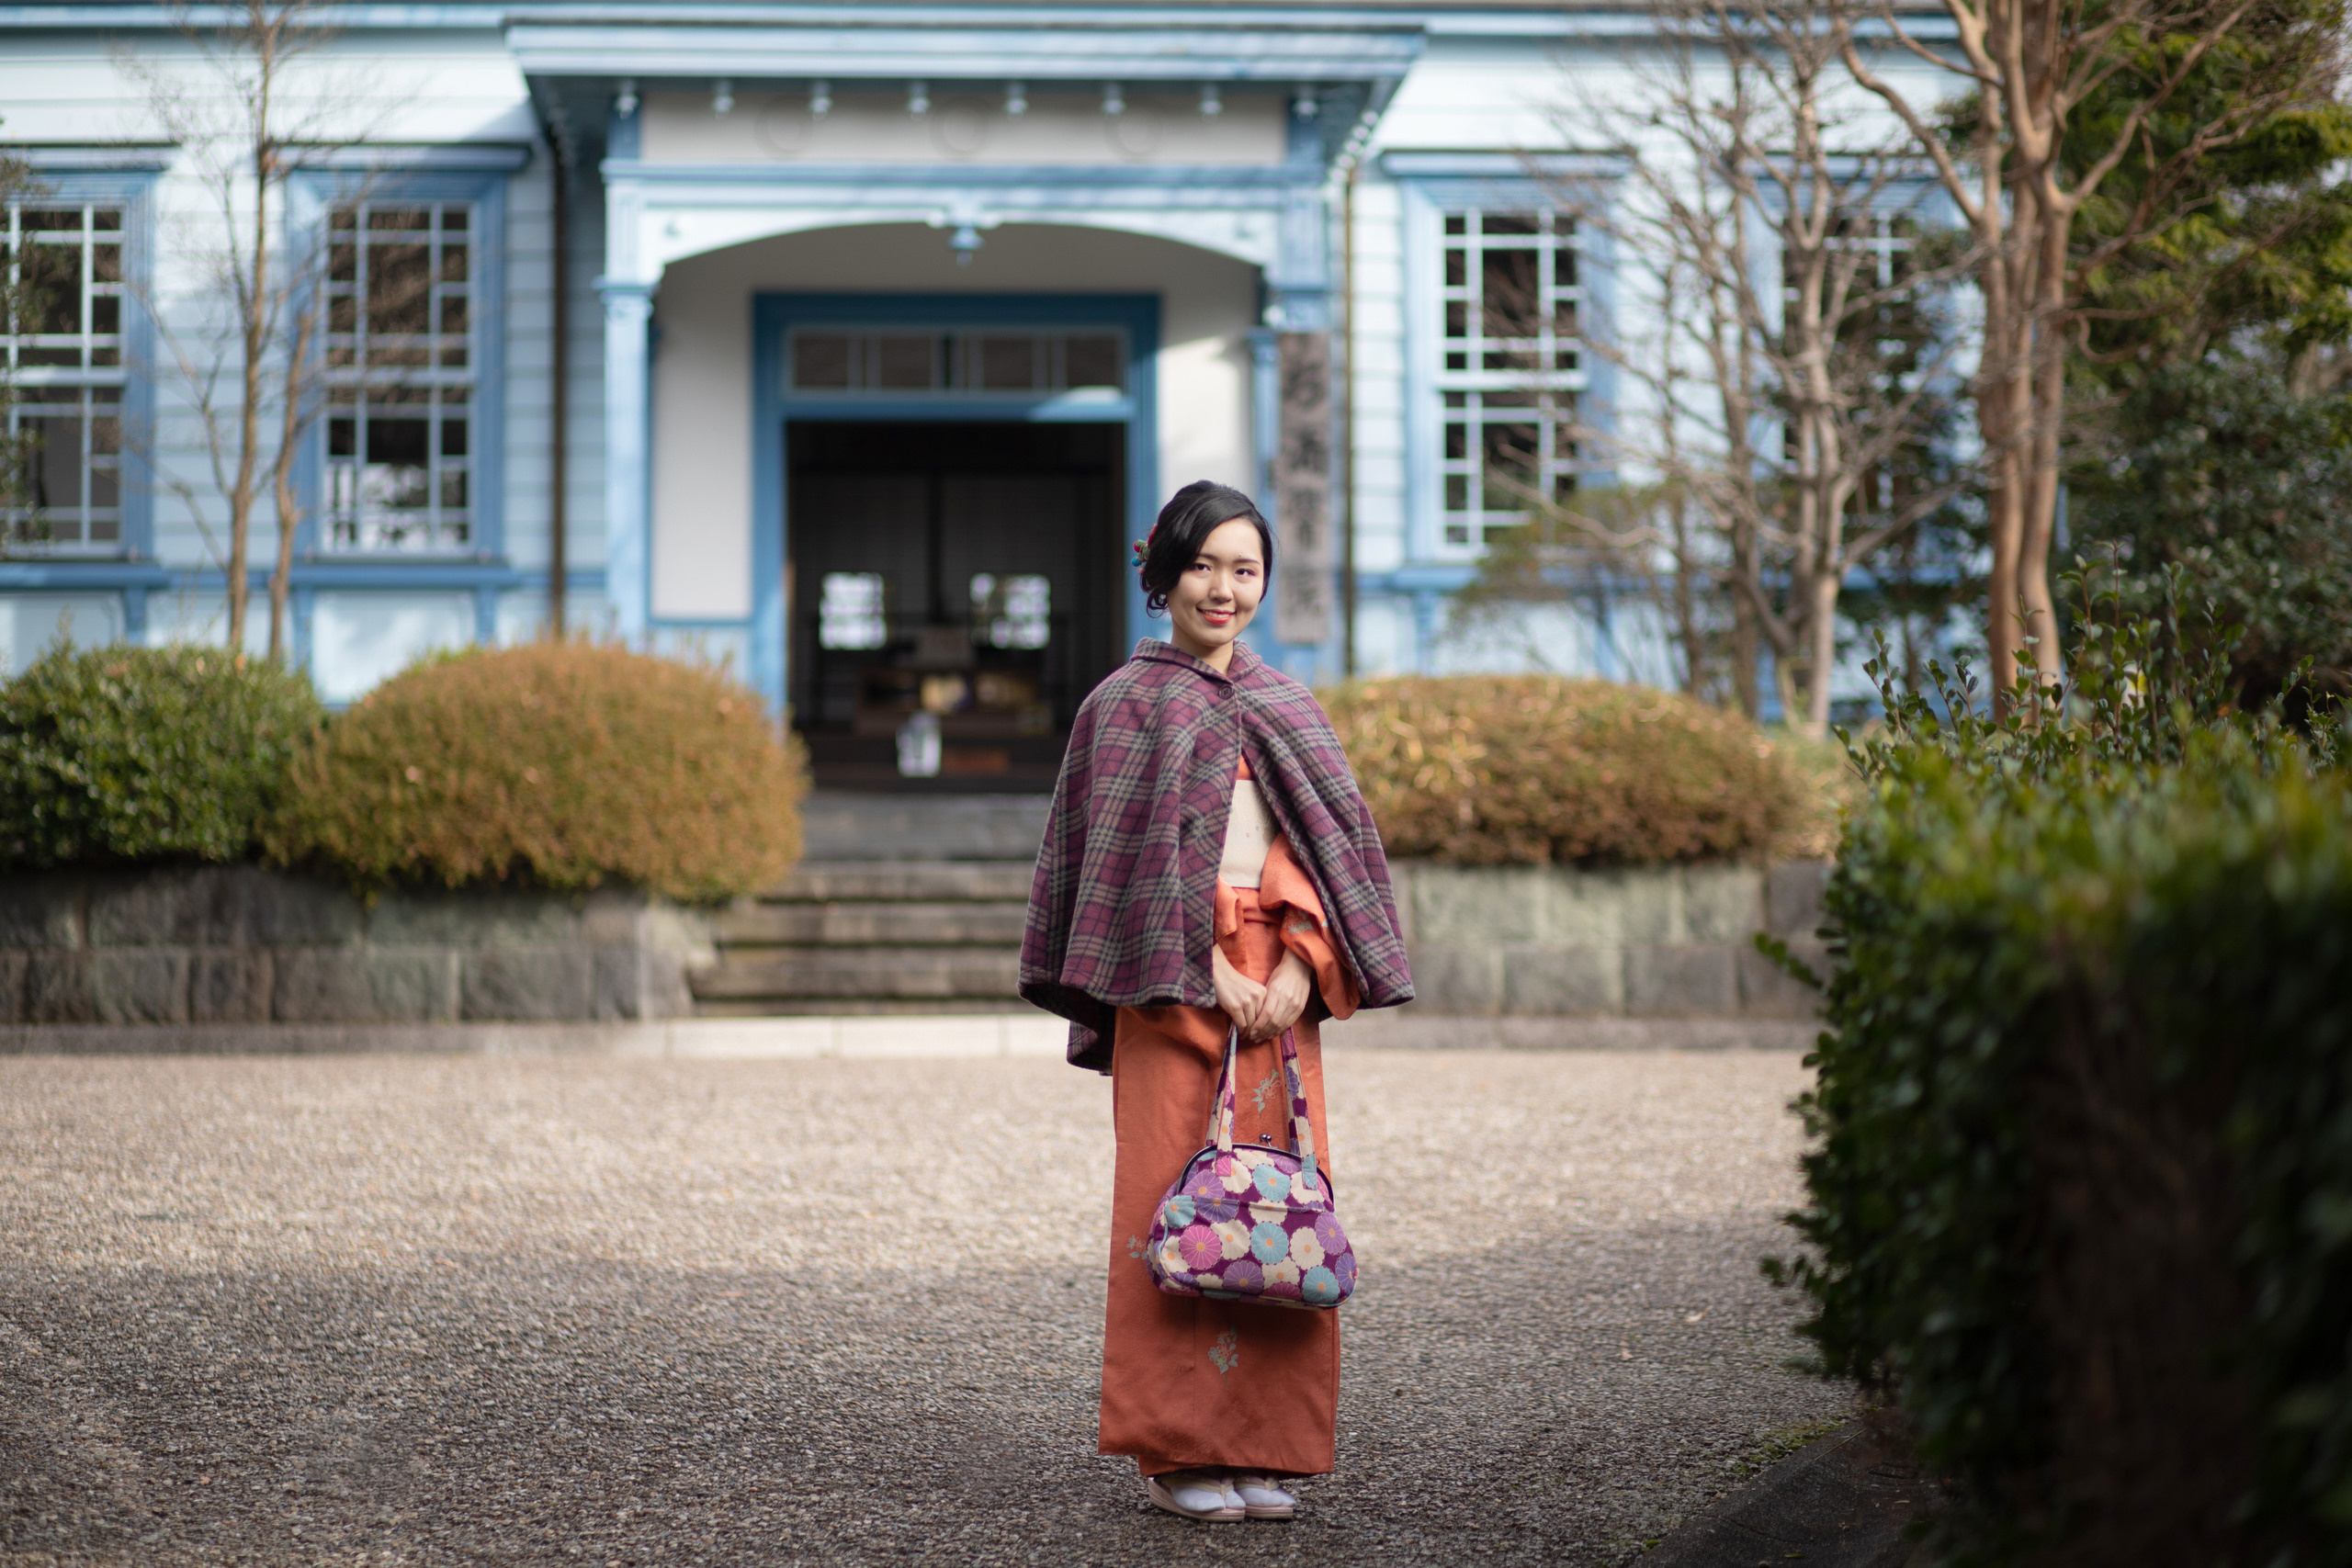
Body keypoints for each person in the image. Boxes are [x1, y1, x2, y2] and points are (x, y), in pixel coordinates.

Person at [1020, 479, 1415, 1523]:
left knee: (1277, 1209)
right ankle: (1178, 1449)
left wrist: (1295, 966)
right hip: (1167, 980)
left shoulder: (1287, 704)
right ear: (1163, 576)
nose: (1224, 588)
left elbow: (1325, 854)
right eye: (1203, 565)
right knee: (1171, 1203)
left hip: (1281, 980)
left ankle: (1266, 1447)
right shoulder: (1122, 704)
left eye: (1245, 569)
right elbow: (1124, 864)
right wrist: (1205, 968)